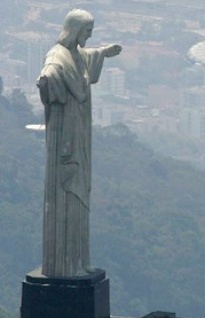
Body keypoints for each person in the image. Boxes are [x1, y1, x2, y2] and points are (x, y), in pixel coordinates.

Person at [38, 9, 122, 276]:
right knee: (66, 197)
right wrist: (47, 79)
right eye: (87, 31)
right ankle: (62, 264)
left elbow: (84, 57)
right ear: (74, 30)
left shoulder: (75, 53)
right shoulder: (57, 55)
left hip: (80, 132)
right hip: (66, 136)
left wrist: (103, 52)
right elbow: (50, 71)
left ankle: (77, 261)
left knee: (80, 198)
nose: (89, 35)